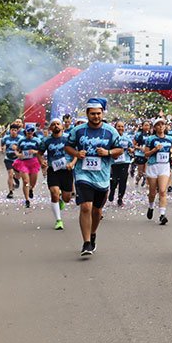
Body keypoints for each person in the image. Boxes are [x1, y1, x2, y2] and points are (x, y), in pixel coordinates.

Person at [64, 98, 122, 257]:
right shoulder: (78, 131)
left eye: (98, 113)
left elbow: (120, 149)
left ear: (102, 113)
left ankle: (93, 233)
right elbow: (67, 146)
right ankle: (86, 242)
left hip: (102, 176)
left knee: (97, 210)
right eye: (92, 114)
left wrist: (108, 153)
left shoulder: (111, 131)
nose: (96, 116)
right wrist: (76, 153)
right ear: (87, 114)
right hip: (83, 174)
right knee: (86, 207)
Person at [40, 118, 76, 229]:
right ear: (50, 128)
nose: (56, 126)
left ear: (62, 127)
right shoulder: (46, 141)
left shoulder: (68, 139)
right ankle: (58, 220)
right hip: (53, 170)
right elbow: (39, 153)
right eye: (53, 124)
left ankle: (62, 200)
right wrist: (42, 161)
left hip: (66, 170)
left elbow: (76, 153)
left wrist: (73, 163)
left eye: (58, 124)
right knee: (54, 192)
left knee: (67, 198)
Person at [144, 118, 172, 225]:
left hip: (164, 166)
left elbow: (171, 149)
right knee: (153, 192)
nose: (161, 126)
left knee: (162, 191)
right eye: (158, 125)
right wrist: (154, 150)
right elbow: (146, 154)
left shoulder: (169, 138)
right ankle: (151, 206)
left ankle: (162, 215)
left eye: (163, 124)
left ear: (165, 127)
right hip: (153, 166)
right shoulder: (151, 139)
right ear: (155, 127)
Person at [12, 126, 43, 208]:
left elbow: (42, 151)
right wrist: (18, 154)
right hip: (23, 163)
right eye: (28, 131)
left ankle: (31, 189)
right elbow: (17, 150)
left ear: (33, 132)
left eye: (31, 131)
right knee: (26, 181)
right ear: (25, 131)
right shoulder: (21, 140)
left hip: (34, 162)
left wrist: (34, 151)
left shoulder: (37, 140)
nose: (30, 133)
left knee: (33, 182)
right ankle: (27, 200)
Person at [109, 121, 134, 207]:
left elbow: (132, 147)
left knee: (123, 180)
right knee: (114, 180)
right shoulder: (111, 137)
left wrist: (131, 150)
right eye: (118, 126)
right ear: (115, 127)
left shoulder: (127, 137)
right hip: (114, 162)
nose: (120, 128)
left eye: (122, 126)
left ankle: (120, 198)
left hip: (125, 161)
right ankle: (112, 191)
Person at [0, 124, 22, 199]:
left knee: (18, 176)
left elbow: (23, 149)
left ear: (17, 131)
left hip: (17, 159)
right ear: (10, 131)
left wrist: (17, 149)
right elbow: (2, 144)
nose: (13, 132)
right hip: (8, 159)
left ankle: (16, 179)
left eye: (15, 130)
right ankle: (10, 192)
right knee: (10, 174)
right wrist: (2, 148)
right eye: (12, 130)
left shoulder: (20, 139)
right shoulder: (6, 138)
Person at [133, 121, 152, 187]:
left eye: (148, 125)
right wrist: (140, 148)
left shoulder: (151, 135)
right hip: (139, 155)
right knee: (140, 173)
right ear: (142, 126)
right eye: (145, 125)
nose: (147, 127)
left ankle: (144, 181)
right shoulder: (138, 134)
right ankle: (137, 181)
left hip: (148, 155)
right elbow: (133, 145)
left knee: (146, 172)